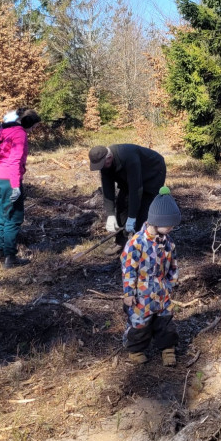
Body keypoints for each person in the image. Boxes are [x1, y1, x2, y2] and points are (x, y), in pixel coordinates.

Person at [121, 187, 181, 366]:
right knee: (139, 323)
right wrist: (129, 292)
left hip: (162, 291)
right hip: (142, 293)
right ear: (156, 221)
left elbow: (173, 265)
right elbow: (128, 269)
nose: (171, 228)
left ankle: (168, 348)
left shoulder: (168, 243)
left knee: (166, 321)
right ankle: (136, 349)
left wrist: (170, 284)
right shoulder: (136, 243)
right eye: (168, 224)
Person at [88, 144, 167, 246]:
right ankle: (121, 242)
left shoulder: (128, 156)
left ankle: (140, 244)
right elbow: (107, 189)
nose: (101, 168)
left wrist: (132, 216)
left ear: (109, 157)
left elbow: (136, 189)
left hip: (152, 171)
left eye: (103, 165)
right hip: (129, 176)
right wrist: (110, 214)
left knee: (145, 207)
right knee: (122, 203)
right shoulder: (105, 164)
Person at [0, 111, 29, 268]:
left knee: (0, 217)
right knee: (13, 218)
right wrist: (16, 185)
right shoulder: (20, 134)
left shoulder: (3, 132)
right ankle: (10, 257)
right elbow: (15, 161)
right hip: (7, 180)